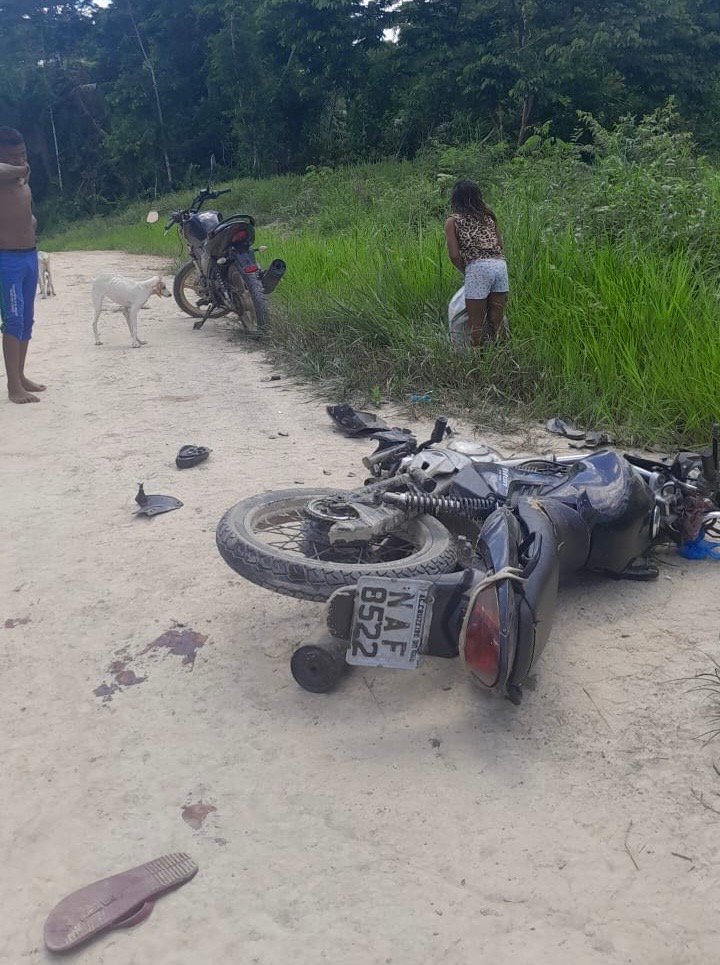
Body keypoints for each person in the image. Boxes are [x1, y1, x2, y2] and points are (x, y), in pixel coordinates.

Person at [0, 127, 45, 404]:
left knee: (27, 320)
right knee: (13, 320)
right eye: (12, 156)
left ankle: (21, 375)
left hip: (29, 254)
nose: (19, 160)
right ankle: (13, 386)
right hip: (6, 259)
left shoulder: (19, 177)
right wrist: (21, 168)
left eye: (22, 154)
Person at [444, 178, 508, 348]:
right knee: (497, 320)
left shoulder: (453, 221)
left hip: (478, 268)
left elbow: (454, 255)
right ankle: (504, 354)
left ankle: (477, 360)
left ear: (455, 199)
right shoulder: (489, 217)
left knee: (476, 324)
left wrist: (467, 271)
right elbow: (500, 245)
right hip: (500, 266)